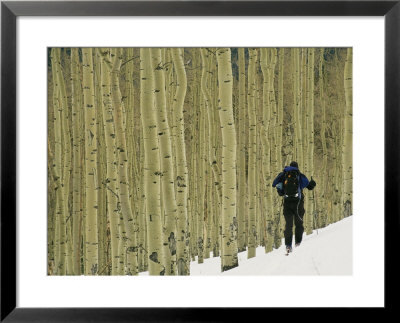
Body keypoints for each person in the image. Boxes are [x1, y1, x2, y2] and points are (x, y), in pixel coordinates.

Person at [272, 161, 316, 254]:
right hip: (298, 203)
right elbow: (309, 186)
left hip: (287, 203)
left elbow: (274, 184)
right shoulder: (299, 175)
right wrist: (312, 183)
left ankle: (288, 245)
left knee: (288, 225)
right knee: (298, 223)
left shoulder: (283, 174)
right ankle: (298, 243)